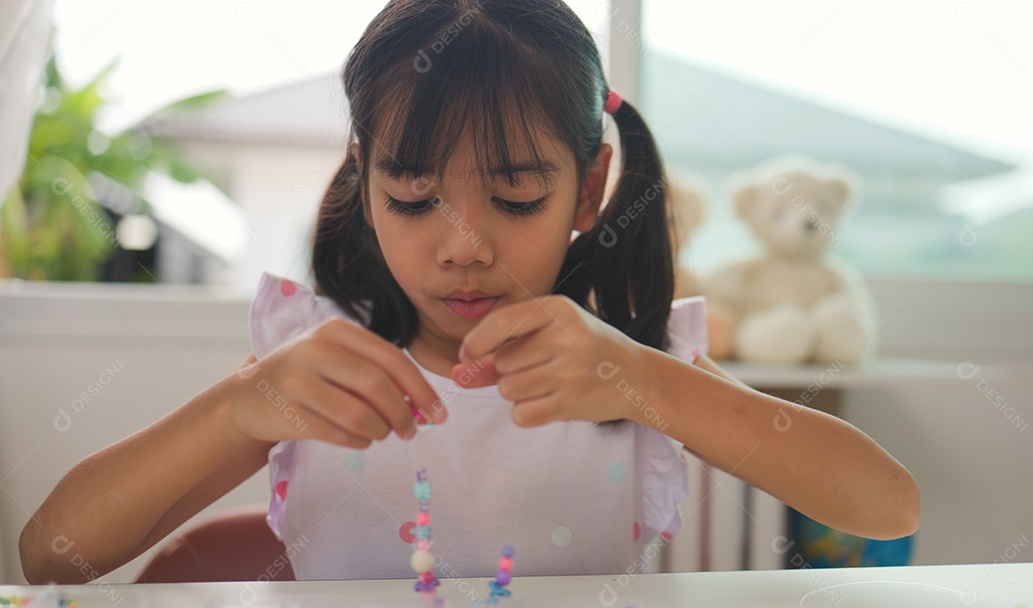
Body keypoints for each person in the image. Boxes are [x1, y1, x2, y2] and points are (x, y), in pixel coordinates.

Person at [20, 0, 919, 584]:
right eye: (413, 198)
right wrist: (238, 406)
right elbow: (50, 553)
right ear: (364, 182)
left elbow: (886, 507)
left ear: (590, 187)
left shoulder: (625, 371)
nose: (463, 247)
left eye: (517, 196)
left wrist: (643, 380)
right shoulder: (317, 357)